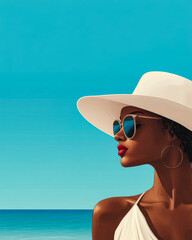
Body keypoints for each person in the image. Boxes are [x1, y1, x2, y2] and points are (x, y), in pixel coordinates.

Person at [76, 71, 192, 240]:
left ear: (170, 130)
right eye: (118, 125)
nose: (118, 134)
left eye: (130, 123)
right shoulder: (112, 215)